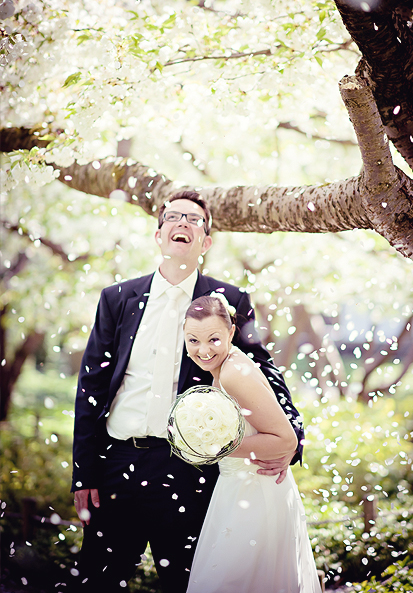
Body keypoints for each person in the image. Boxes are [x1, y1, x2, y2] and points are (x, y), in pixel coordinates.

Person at [71, 191, 305, 592]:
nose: (183, 223)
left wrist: (290, 439)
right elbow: (91, 384)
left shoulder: (228, 301)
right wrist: (84, 472)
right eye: (173, 217)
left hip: (190, 468)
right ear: (158, 234)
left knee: (188, 580)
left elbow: (262, 370)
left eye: (194, 219)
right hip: (118, 462)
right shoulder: (118, 298)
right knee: (97, 579)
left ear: (206, 242)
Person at [182, 295, 320, 593]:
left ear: (231, 333)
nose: (203, 350)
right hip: (238, 487)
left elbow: (285, 439)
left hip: (255, 491)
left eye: (214, 339)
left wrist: (212, 446)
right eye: (193, 340)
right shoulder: (226, 365)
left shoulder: (234, 373)